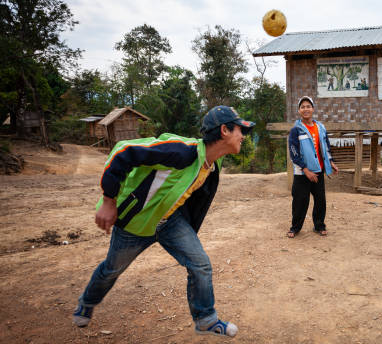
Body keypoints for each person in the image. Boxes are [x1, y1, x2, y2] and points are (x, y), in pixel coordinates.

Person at [72, 106, 255, 337]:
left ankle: (206, 319)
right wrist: (109, 200)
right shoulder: (182, 151)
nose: (244, 136)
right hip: (135, 225)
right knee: (111, 269)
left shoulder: (213, 165)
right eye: (241, 130)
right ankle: (87, 302)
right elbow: (124, 150)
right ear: (224, 130)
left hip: (170, 222)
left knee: (200, 264)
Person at [287, 96, 338, 238]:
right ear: (299, 111)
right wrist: (305, 169)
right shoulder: (296, 130)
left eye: (308, 106)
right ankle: (295, 228)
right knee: (300, 202)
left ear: (313, 109)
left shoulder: (320, 128)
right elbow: (294, 152)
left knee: (320, 200)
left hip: (318, 171)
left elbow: (325, 147)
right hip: (302, 173)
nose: (305, 109)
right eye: (302, 107)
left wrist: (331, 162)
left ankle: (319, 226)